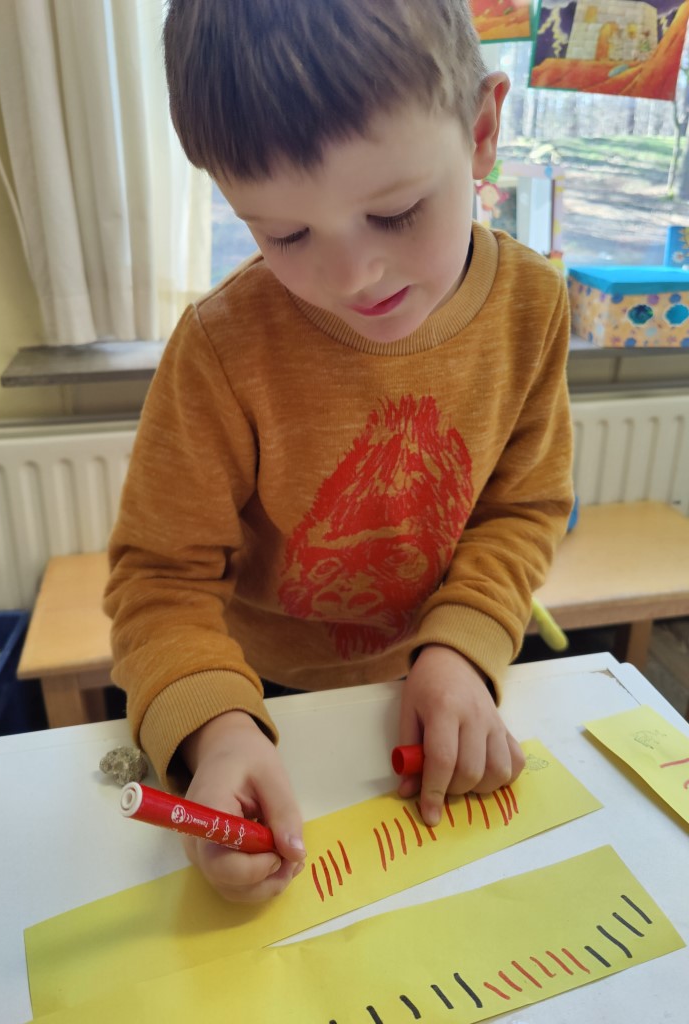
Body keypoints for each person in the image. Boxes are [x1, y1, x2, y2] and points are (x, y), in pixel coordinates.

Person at [104, 0, 574, 903]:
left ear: (481, 134)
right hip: (262, 698)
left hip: (440, 680)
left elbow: (523, 507)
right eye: (285, 235)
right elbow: (160, 579)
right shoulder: (222, 348)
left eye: (396, 212)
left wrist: (465, 646)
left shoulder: (532, 306)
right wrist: (215, 730)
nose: (353, 275)